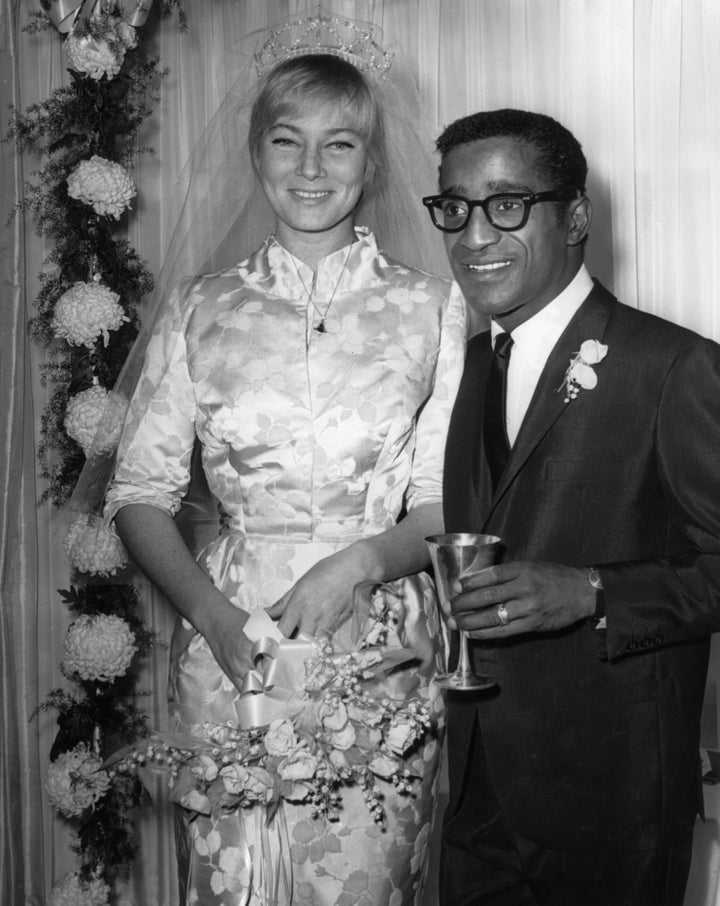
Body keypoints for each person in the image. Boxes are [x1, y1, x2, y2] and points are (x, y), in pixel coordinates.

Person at [103, 27, 466, 906]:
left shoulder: (434, 308)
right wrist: (214, 619)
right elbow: (138, 493)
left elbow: (444, 502)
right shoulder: (200, 308)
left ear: (371, 163)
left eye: (338, 143)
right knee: (238, 886)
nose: (311, 167)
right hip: (231, 646)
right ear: (255, 153)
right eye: (286, 140)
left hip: (381, 651)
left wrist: (361, 562)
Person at [421, 108, 720, 906]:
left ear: (577, 217)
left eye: (507, 204)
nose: (474, 235)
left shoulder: (675, 366)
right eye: (455, 207)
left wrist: (591, 591)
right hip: (479, 790)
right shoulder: (474, 363)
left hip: (612, 801)